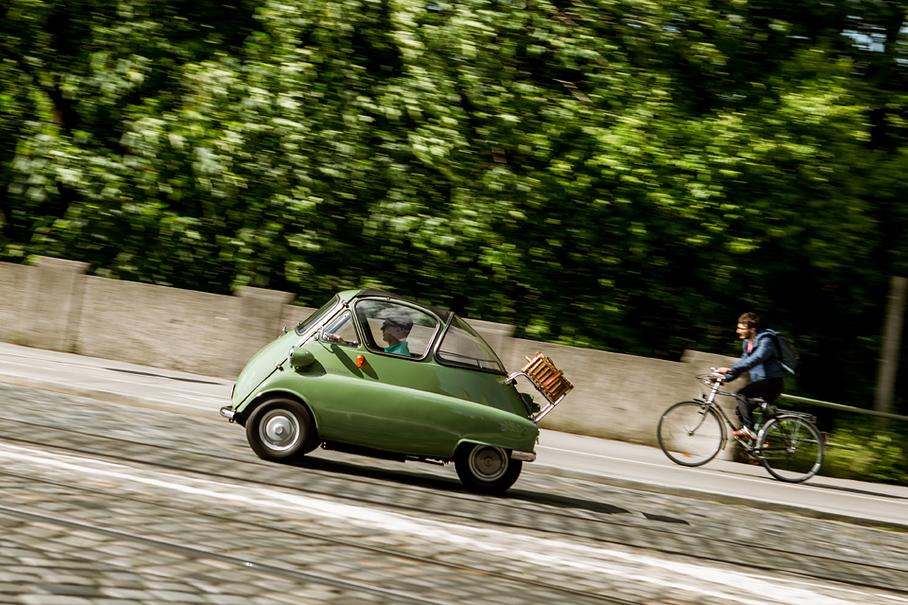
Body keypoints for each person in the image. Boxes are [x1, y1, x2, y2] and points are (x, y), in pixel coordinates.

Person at [715, 312, 785, 440]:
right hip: (761, 383)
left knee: (741, 394)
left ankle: (749, 430)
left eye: (741, 328)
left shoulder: (766, 341)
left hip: (772, 383)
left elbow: (755, 359)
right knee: (740, 410)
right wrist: (726, 378)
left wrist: (730, 370)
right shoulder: (747, 343)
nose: (737, 331)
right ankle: (759, 443)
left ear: (752, 330)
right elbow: (743, 363)